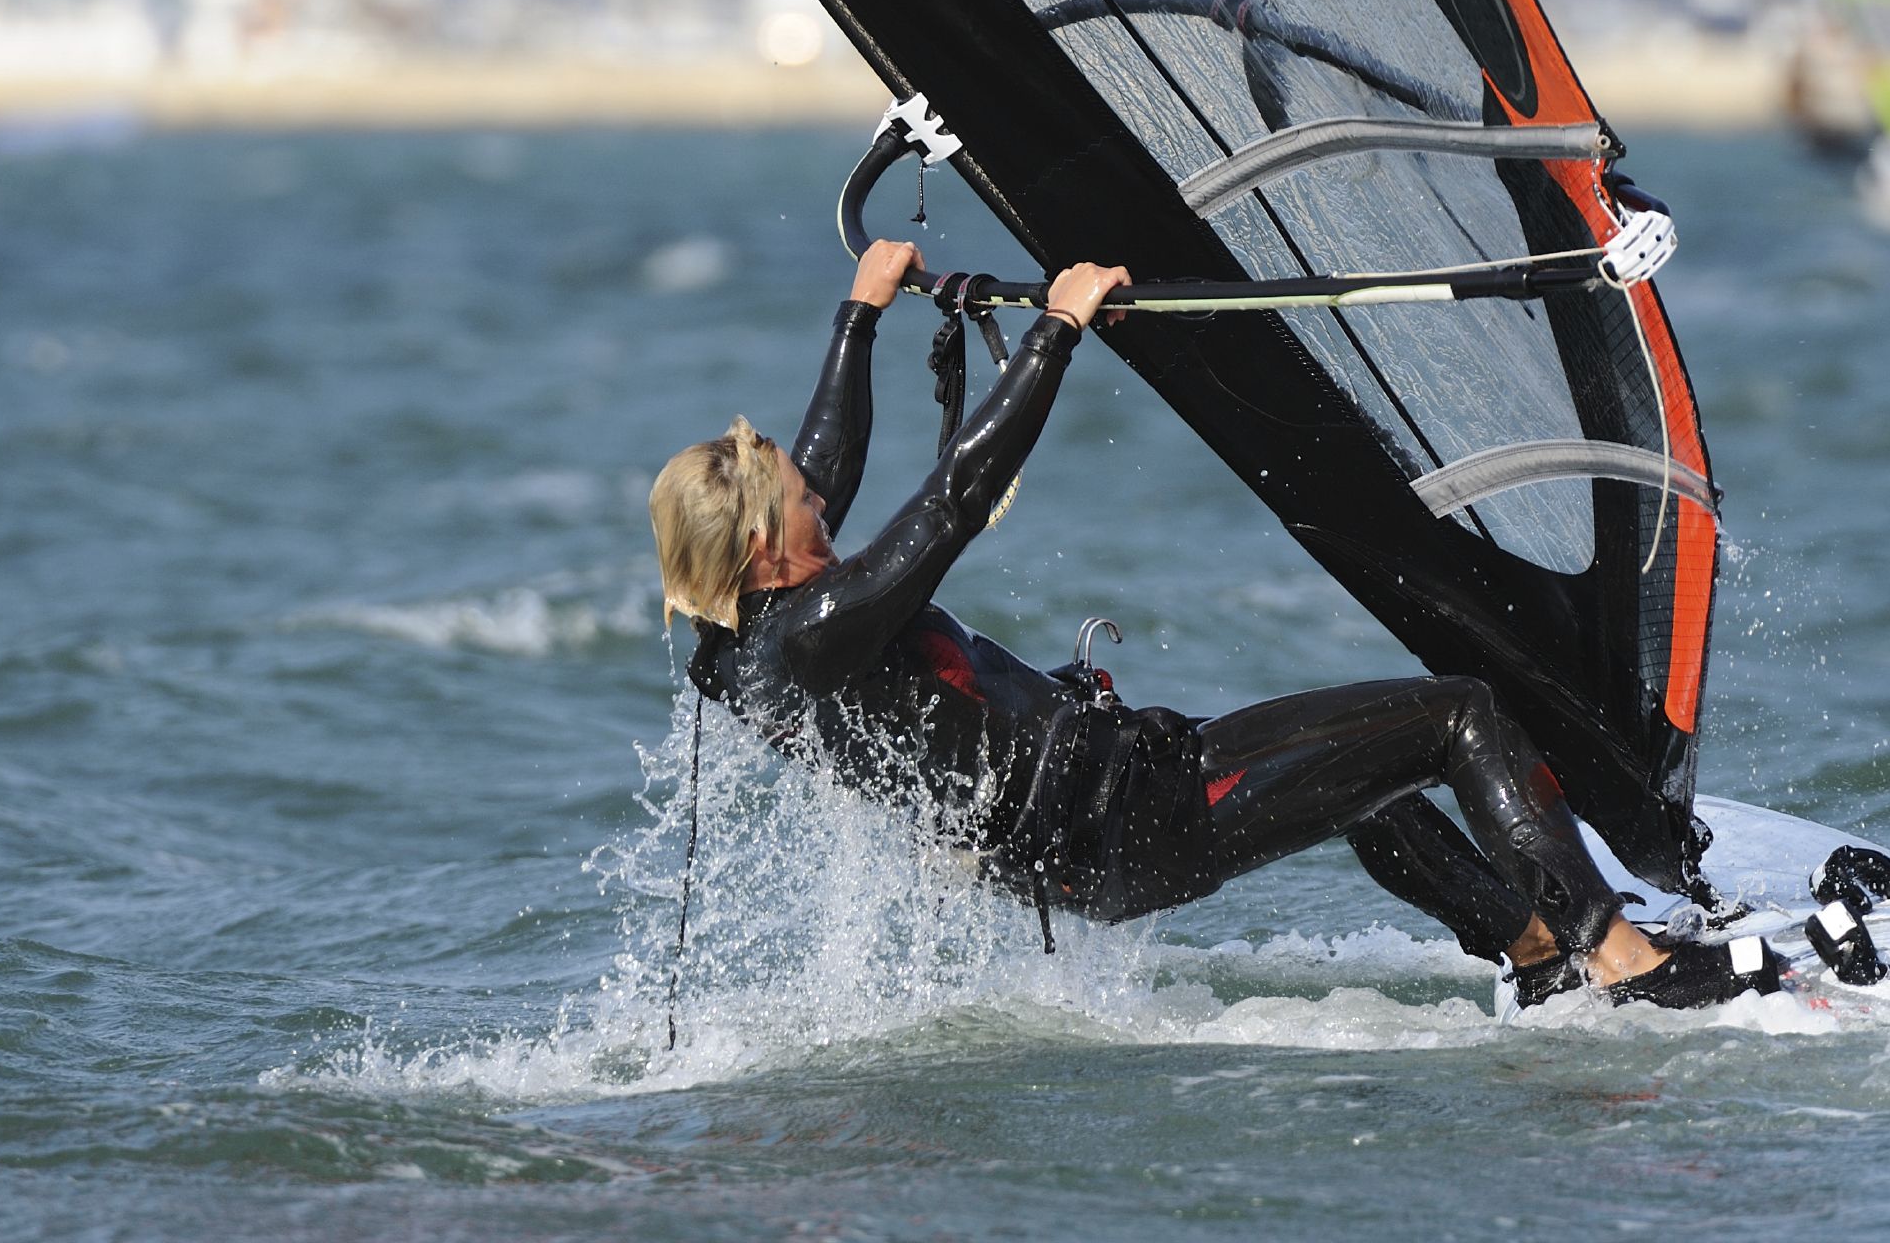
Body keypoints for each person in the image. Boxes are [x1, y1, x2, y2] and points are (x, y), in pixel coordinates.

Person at [648, 241, 1784, 1010]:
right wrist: (1056, 330)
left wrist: (860, 311)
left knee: (1358, 776)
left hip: (1100, 822)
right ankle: (1620, 960)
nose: (822, 501)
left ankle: (1531, 948)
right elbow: (947, 502)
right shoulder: (820, 627)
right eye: (801, 504)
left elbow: (825, 466)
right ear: (765, 546)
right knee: (1458, 719)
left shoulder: (745, 637)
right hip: (1135, 816)